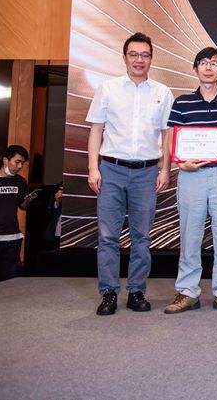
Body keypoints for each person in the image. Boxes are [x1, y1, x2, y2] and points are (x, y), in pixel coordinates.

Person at [86, 32, 174, 315]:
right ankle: (108, 293)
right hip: (111, 170)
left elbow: (167, 135)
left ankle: (136, 291)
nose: (139, 60)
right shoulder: (108, 89)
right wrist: (93, 168)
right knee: (108, 236)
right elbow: (96, 130)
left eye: (145, 55)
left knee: (142, 237)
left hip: (147, 173)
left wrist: (165, 169)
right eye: (134, 54)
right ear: (124, 57)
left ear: (151, 59)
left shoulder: (162, 92)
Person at [163, 48, 217, 314]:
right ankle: (187, 291)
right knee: (190, 234)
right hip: (191, 174)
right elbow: (172, 138)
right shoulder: (182, 103)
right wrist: (179, 163)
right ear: (195, 68)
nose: (208, 68)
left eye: (213, 63)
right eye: (203, 63)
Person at [0, 145, 29, 281]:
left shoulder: (21, 182)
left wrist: (28, 201)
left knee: (9, 280)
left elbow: (22, 206)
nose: (20, 166)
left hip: (13, 237)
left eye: (22, 163)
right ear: (5, 160)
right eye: (17, 162)